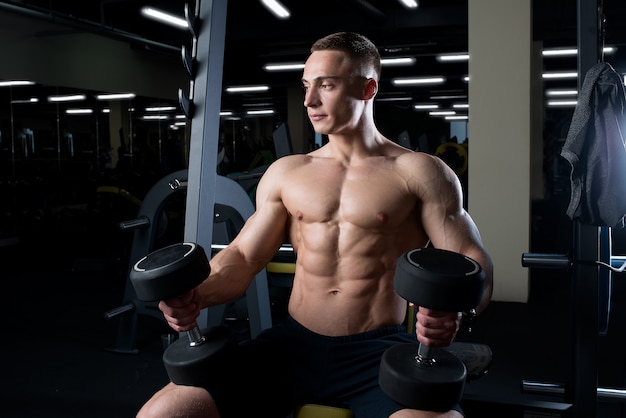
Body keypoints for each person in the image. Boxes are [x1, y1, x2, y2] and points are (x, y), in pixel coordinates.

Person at [137, 31, 493, 418]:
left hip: (377, 351)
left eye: (327, 85)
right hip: (290, 347)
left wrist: (459, 312)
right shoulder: (287, 173)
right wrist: (196, 295)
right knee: (165, 412)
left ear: (368, 87)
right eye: (307, 86)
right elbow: (242, 257)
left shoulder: (419, 172)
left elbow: (473, 263)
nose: (309, 100)